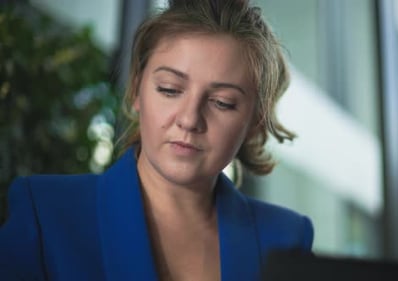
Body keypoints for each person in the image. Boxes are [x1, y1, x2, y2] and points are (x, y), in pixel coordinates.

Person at [0, 0, 314, 280]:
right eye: (169, 89)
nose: (189, 119)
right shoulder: (46, 214)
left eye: (222, 102)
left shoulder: (287, 238)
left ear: (254, 123)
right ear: (136, 90)